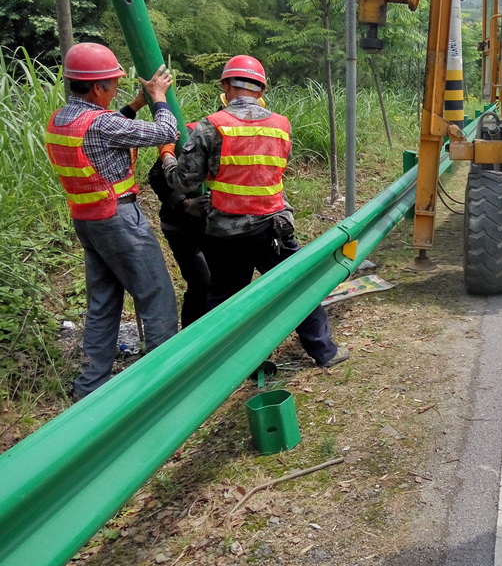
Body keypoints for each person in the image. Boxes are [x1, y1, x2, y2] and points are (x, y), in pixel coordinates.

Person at [161, 55, 348, 368]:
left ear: (225, 86)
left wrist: (167, 155)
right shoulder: (281, 126)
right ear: (261, 89)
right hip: (272, 227)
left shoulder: (211, 126)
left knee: (224, 301)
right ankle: (325, 352)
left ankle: (224, 364)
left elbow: (183, 181)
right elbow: (272, 172)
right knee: (296, 289)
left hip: (226, 232)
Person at [45, 43, 180, 398]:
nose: (116, 90)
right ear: (96, 88)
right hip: (119, 220)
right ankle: (165, 385)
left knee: (104, 302)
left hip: (87, 221)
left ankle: (89, 387)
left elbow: (106, 129)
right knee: (156, 296)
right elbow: (167, 131)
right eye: (113, 84)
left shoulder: (61, 119)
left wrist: (135, 105)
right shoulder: (103, 123)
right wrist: (159, 98)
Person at [147, 149, 211, 328]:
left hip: (215, 226)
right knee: (201, 283)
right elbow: (156, 175)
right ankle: (190, 342)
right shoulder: (194, 139)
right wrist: (184, 203)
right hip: (181, 227)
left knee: (218, 283)